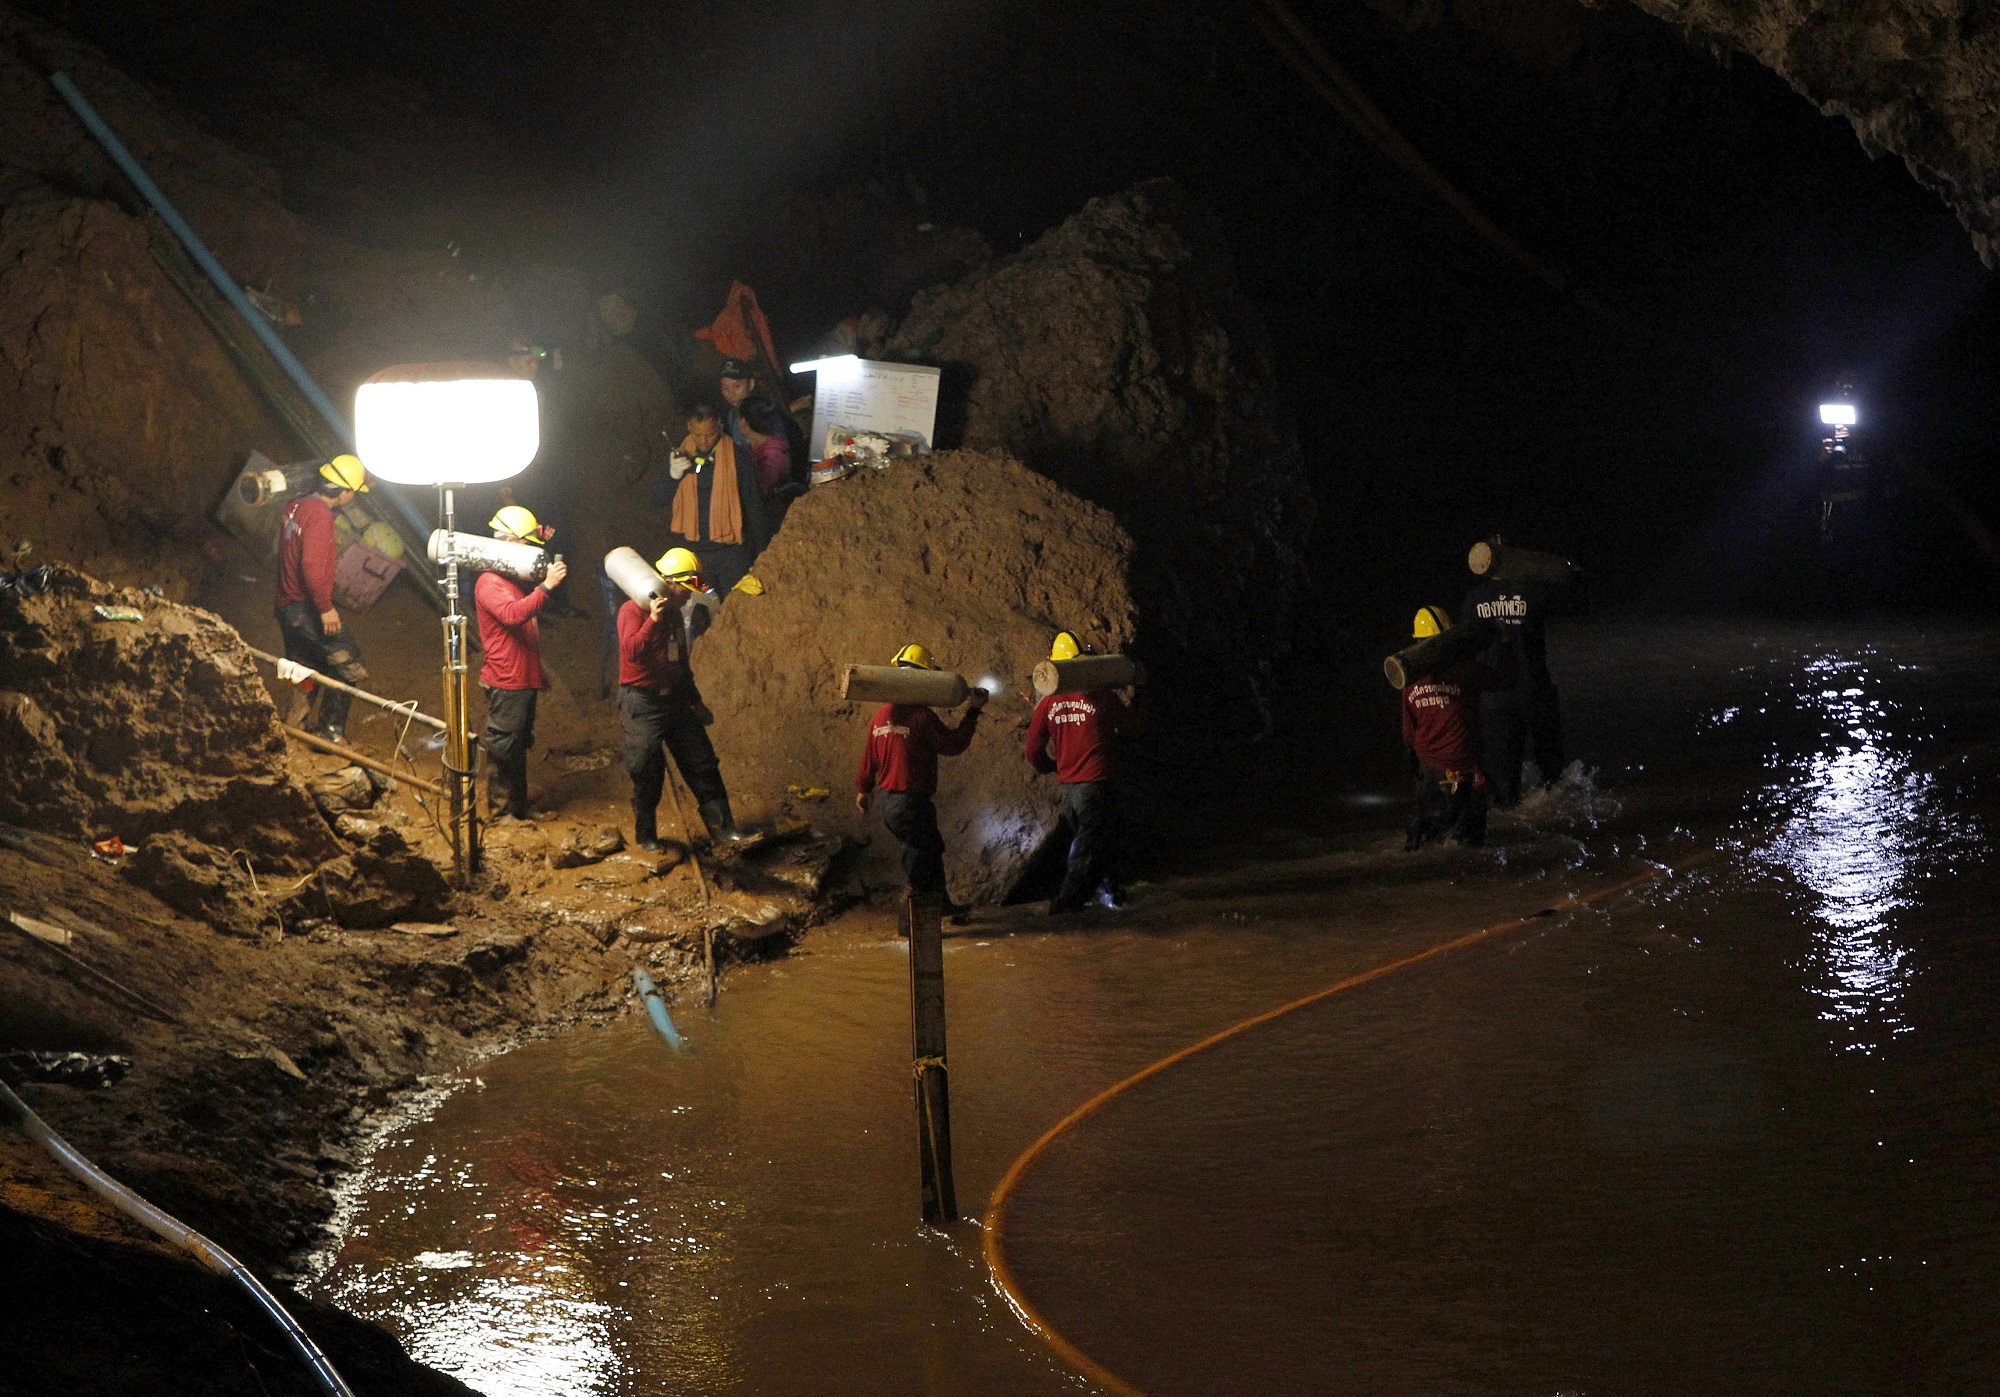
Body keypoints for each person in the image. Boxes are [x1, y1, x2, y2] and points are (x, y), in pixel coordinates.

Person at [617, 546, 736, 850]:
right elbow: (631, 653)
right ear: (671, 583)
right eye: (689, 586)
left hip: (676, 700)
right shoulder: (631, 610)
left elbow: (680, 663)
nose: (691, 594)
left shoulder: (674, 615)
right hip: (641, 702)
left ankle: (724, 831)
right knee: (646, 769)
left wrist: (695, 701)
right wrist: (651, 622)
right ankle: (647, 837)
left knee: (702, 762)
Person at [854, 644, 987, 914]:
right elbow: (953, 745)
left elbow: (869, 760)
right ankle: (912, 920)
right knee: (920, 860)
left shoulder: (880, 716)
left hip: (890, 803)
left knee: (929, 850)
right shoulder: (921, 716)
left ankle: (941, 906)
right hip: (911, 802)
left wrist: (863, 790)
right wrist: (972, 711)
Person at [1024, 631, 1130, 913]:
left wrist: (1051, 766)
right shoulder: (1101, 696)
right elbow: (1132, 725)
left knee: (1095, 843)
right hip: (1097, 786)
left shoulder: (1047, 703)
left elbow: (1033, 749)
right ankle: (1064, 908)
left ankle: (1112, 896)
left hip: (1069, 791)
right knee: (1088, 850)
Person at [474, 505, 567, 820]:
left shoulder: (510, 579)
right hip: (506, 680)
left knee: (517, 746)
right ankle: (501, 816)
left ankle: (518, 809)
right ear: (510, 542)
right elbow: (514, 615)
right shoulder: (489, 582)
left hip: (522, 678)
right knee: (503, 749)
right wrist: (547, 587)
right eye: (527, 542)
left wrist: (536, 672)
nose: (531, 549)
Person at [275, 453, 371, 743]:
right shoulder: (320, 516)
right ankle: (330, 734)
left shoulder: (297, 505)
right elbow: (312, 568)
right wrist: (326, 608)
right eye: (352, 492)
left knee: (305, 663)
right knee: (347, 665)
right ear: (343, 492)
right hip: (307, 609)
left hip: (286, 606)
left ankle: (295, 725)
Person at [1401, 605, 1512, 850]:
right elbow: (1505, 679)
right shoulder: (1465, 670)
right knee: (1469, 845)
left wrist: (1416, 767)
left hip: (1427, 769)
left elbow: (1408, 732)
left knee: (1423, 837)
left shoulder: (1410, 680)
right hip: (1461, 767)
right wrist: (1504, 640)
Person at [1461, 541, 1563, 805]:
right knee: (1553, 774)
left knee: (1504, 780)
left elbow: (1468, 648)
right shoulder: (1533, 593)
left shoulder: (1473, 600)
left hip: (1494, 696)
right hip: (1534, 688)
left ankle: (1508, 823)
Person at [654, 403, 766, 596]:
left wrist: (763, 553)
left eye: (710, 434)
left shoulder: (737, 456)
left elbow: (754, 505)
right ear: (689, 427)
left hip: (731, 552)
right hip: (694, 554)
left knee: (736, 605)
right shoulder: (678, 456)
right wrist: (672, 476)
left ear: (720, 427)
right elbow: (658, 499)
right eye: (698, 435)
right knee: (704, 610)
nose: (704, 442)